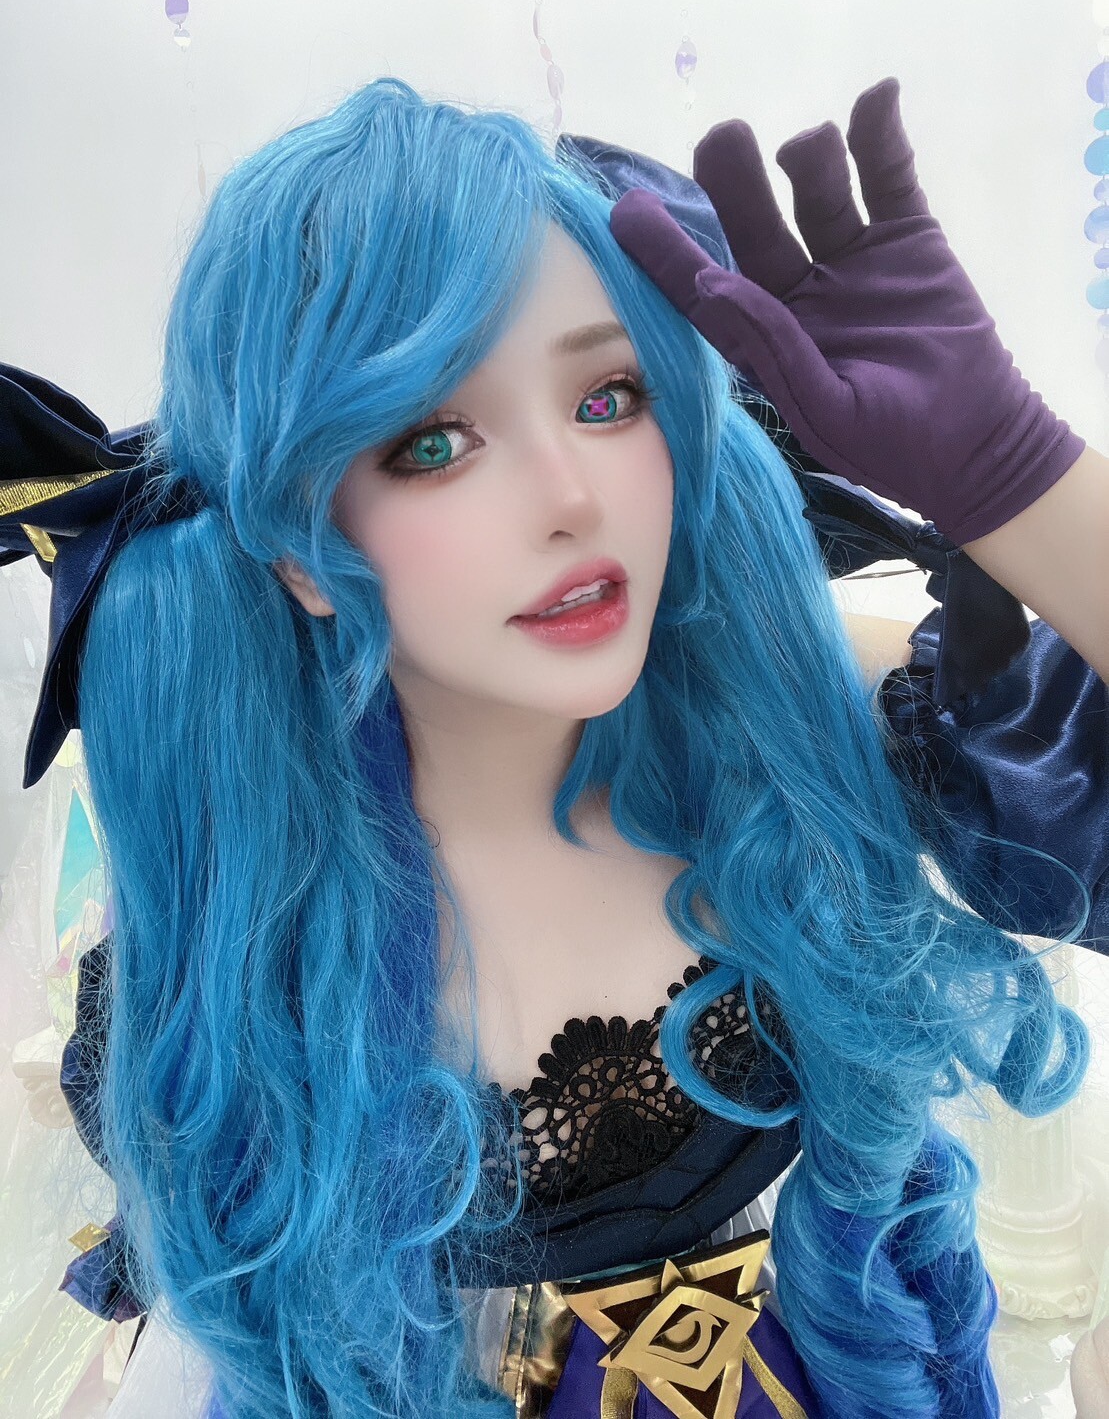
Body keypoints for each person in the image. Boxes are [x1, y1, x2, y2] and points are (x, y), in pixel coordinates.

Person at [0, 75, 1103, 1419]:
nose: (571, 499)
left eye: (606, 397)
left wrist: (1018, 475)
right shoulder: (245, 930)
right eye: (433, 442)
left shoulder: (806, 718)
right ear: (296, 547)